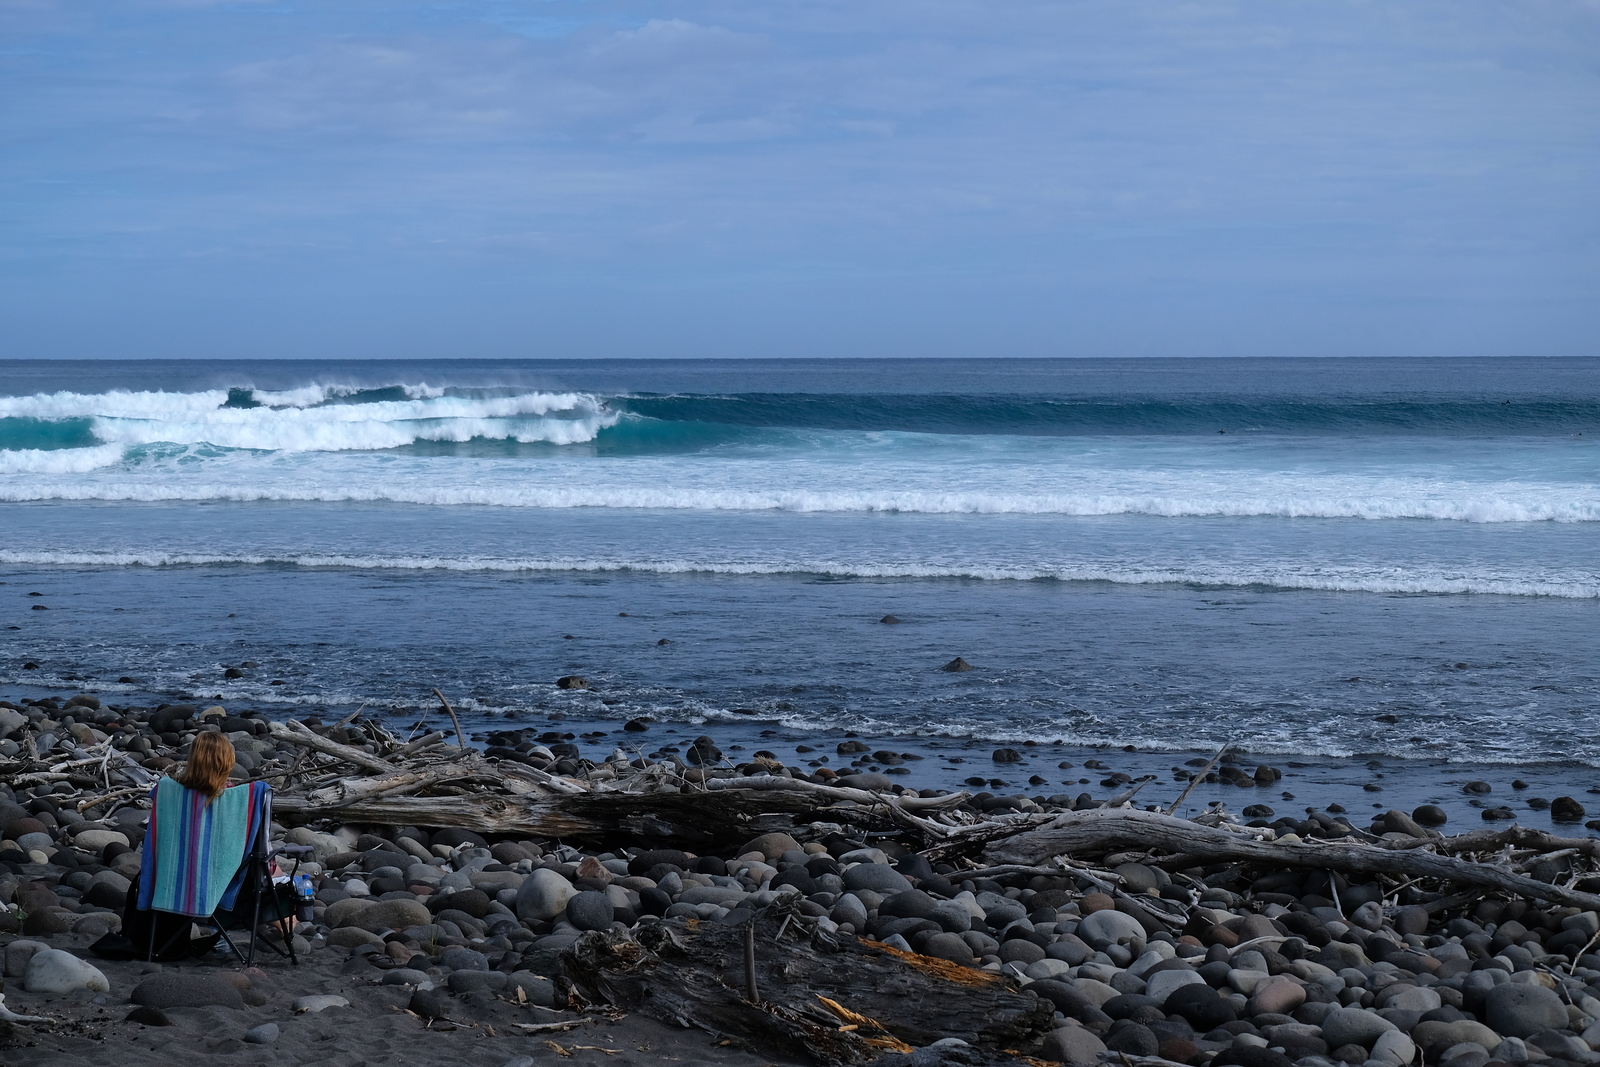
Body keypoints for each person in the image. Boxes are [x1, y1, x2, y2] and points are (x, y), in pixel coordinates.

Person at [95, 730, 271, 961]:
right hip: (227, 889)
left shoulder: (168, 792)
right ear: (228, 762)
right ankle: (279, 936)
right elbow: (263, 853)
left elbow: (156, 843)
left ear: (193, 759)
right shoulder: (246, 798)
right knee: (281, 883)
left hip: (173, 888)